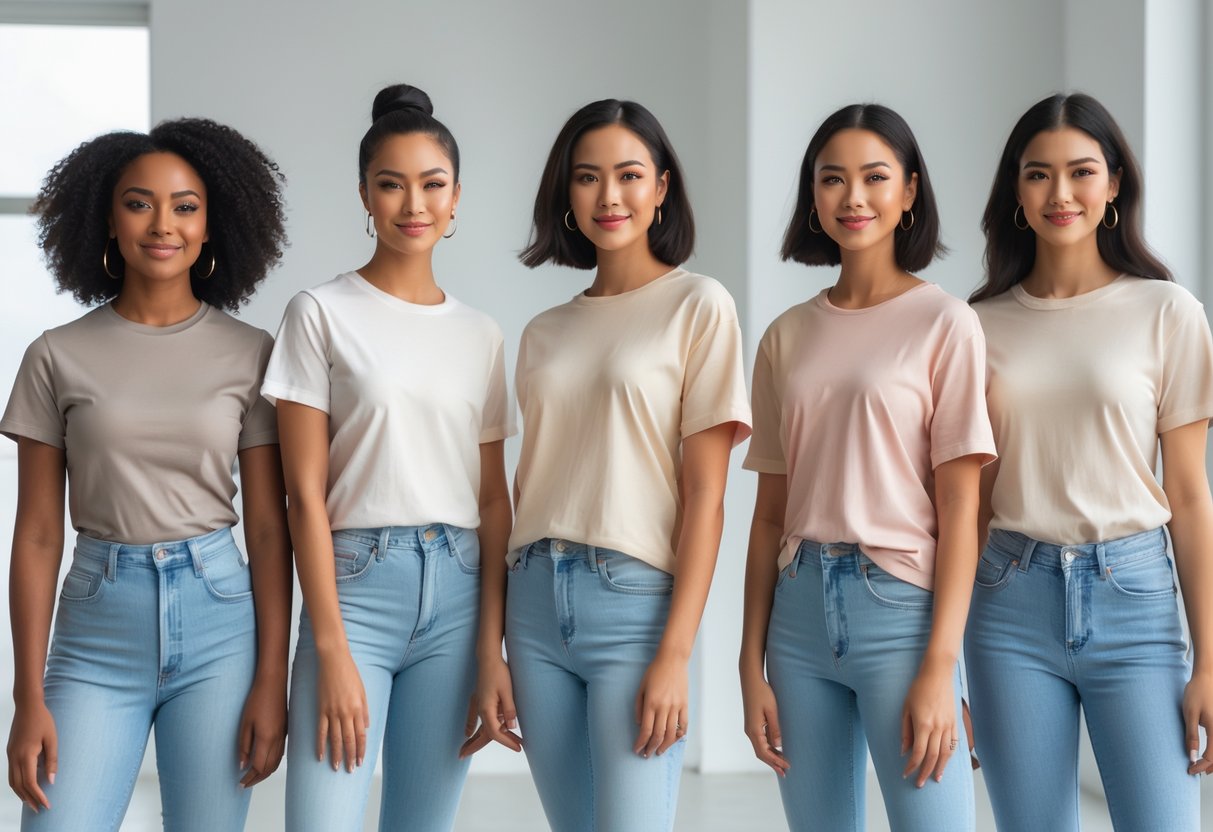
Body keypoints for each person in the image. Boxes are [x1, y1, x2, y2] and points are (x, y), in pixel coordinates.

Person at [2, 119, 292, 831]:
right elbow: (38, 535)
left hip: (222, 622)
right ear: (106, 216)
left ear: (212, 223)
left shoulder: (251, 353)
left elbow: (266, 527)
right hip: (98, 625)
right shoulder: (55, 355)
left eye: (185, 206)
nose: (163, 224)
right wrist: (28, 697)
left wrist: (270, 681)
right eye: (139, 203)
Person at [496, 98, 750, 832]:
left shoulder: (698, 306)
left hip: (631, 604)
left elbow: (706, 497)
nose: (609, 196)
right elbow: (527, 482)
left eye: (629, 175)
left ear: (662, 188)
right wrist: (499, 642)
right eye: (587, 178)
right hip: (534, 602)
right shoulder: (544, 331)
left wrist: (675, 655)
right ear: (566, 195)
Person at [739, 103, 994, 831]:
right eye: (832, 180)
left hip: (900, 612)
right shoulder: (785, 337)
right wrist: (747, 664)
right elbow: (767, 516)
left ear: (909, 191)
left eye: (874, 177)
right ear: (812, 198)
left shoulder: (945, 323)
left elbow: (961, 512)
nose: (853, 198)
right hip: (796, 615)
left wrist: (941, 669)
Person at [266, 83, 514, 832]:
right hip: (355, 589)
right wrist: (330, 647)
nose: (414, 203)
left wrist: (490, 649)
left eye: (432, 184)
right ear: (365, 196)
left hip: (459, 593)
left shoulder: (481, 334)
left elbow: (494, 501)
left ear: (456, 197)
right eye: (391, 184)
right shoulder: (319, 314)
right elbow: (301, 496)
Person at [966, 92, 1213, 831]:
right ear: (1016, 190)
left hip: (1134, 598)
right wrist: (939, 662)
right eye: (1038, 174)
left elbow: (1191, 497)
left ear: (1113, 186)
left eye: (1080, 172)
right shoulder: (974, 326)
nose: (1060, 193)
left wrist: (1208, 658)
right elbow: (966, 504)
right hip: (1005, 603)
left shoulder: (1166, 312)